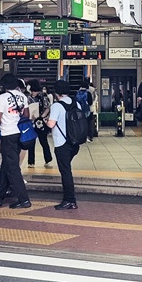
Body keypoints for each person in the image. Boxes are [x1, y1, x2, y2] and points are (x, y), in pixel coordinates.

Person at [0, 73, 31, 209]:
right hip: (19, 134)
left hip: (8, 134)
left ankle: (24, 199)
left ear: (3, 85)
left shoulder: (3, 98)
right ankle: (0, 196)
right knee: (7, 164)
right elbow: (27, 115)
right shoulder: (22, 96)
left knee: (12, 168)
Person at [46, 79, 82, 209]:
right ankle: (69, 199)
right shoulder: (76, 104)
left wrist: (45, 121)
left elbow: (51, 124)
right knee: (66, 169)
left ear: (57, 92)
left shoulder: (57, 106)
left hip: (62, 144)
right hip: (75, 142)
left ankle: (70, 200)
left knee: (65, 171)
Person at [26, 78, 53, 168]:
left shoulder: (43, 96)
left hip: (40, 122)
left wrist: (40, 117)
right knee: (33, 142)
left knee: (43, 141)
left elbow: (47, 107)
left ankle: (47, 159)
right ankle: (31, 161)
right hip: (34, 121)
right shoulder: (29, 97)